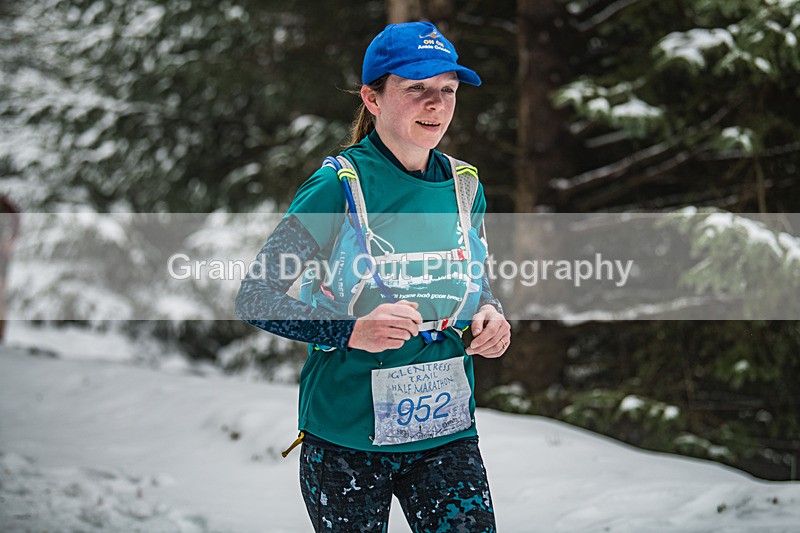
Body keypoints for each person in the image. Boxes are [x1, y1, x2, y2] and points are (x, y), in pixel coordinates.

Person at [236, 21, 511, 532]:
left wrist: (490, 314)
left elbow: (471, 276)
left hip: (445, 432)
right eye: (416, 89)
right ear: (373, 97)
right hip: (347, 439)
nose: (436, 104)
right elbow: (257, 296)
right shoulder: (338, 184)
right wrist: (350, 329)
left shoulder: (464, 186)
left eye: (447, 90)